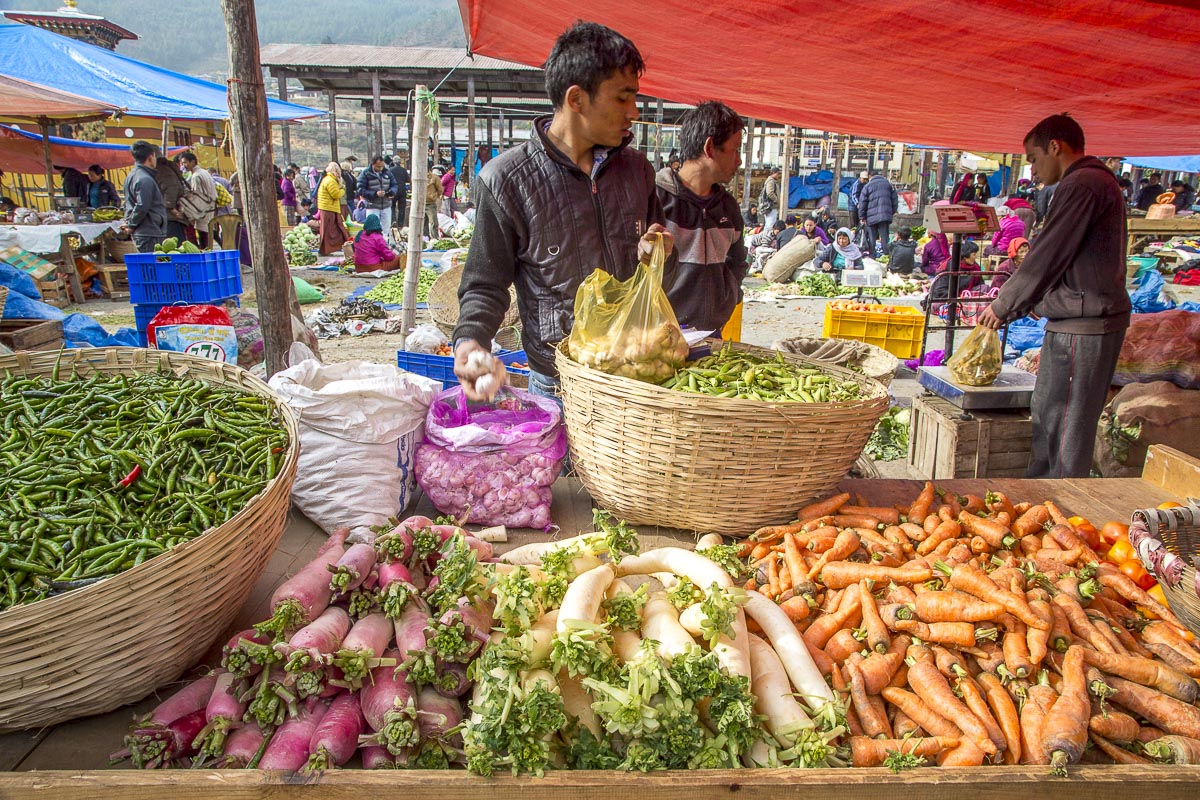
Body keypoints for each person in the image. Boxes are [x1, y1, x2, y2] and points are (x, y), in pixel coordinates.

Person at [452, 21, 674, 400]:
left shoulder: (637, 171)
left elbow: (657, 249)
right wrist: (470, 344)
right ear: (576, 99)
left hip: (636, 376)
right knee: (563, 463)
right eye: (623, 98)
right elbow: (484, 284)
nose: (634, 112)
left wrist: (658, 249)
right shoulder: (507, 180)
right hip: (557, 383)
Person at [979, 113, 1130, 479]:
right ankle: (1045, 498)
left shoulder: (1083, 185)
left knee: (1065, 423)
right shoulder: (1088, 183)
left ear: (1054, 147)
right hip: (1077, 318)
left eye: (1032, 159)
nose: (1032, 170)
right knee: (1051, 413)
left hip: (1086, 324)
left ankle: (1059, 505)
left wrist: (1004, 305)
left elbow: (1048, 253)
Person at [656, 100, 748, 332]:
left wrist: (730, 294)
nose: (739, 160)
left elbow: (737, 261)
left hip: (711, 335)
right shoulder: (656, 199)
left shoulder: (728, 208)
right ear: (709, 148)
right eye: (735, 149)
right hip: (659, 337)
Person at [121, 141, 166, 253]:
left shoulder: (132, 175)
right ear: (150, 157)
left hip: (144, 231)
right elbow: (142, 206)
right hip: (149, 231)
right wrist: (131, 224)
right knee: (152, 267)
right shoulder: (144, 179)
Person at [176, 151, 217, 248]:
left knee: (204, 240)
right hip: (209, 208)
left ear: (193, 162)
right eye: (182, 163)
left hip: (203, 210)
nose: (183, 165)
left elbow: (197, 196)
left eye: (185, 162)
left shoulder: (196, 176)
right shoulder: (204, 172)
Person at [857, 172, 898, 257]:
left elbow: (862, 203)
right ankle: (886, 255)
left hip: (871, 216)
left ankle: (872, 254)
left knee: (872, 237)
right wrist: (892, 211)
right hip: (885, 216)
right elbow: (895, 199)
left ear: (869, 176)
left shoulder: (867, 186)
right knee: (884, 236)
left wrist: (862, 217)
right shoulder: (888, 184)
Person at [153, 150, 190, 243]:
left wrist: (170, 207)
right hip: (169, 217)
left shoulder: (163, 171)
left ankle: (167, 259)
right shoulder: (166, 169)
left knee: (173, 251)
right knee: (171, 250)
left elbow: (171, 189)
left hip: (171, 218)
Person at [316, 161, 350, 255]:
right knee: (330, 230)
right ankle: (326, 249)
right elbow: (335, 195)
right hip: (328, 208)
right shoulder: (330, 180)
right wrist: (342, 190)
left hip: (329, 207)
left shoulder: (327, 179)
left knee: (329, 230)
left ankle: (327, 249)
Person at [357, 156, 398, 233]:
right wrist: (374, 194)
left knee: (386, 230)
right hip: (372, 206)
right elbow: (360, 189)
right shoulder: (365, 174)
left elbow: (394, 184)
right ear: (372, 164)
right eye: (378, 167)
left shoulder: (388, 172)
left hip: (386, 205)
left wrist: (392, 192)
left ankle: (385, 243)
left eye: (382, 166)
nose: (380, 169)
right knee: (372, 230)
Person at [390, 157, 410, 227]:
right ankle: (400, 223)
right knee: (402, 207)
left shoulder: (390, 170)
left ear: (393, 162)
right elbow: (408, 179)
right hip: (402, 190)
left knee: (392, 206)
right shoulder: (404, 170)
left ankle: (393, 221)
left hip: (393, 190)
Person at [425, 167, 443, 239]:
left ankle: (435, 238)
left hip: (430, 203)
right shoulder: (418, 176)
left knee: (433, 222)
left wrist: (433, 196)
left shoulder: (434, 178)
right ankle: (425, 238)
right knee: (423, 223)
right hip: (421, 203)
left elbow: (440, 189)